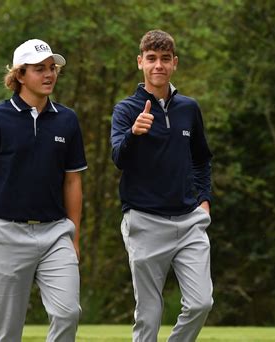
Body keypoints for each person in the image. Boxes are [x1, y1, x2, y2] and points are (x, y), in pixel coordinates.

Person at [0, 39, 87, 342]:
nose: (49, 74)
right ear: (20, 75)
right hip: (4, 233)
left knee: (68, 313)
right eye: (40, 69)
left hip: (55, 234)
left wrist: (74, 236)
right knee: (8, 331)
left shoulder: (67, 120)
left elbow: (72, 182)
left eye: (52, 68)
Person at [110, 29, 214, 342]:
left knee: (201, 302)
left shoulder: (188, 108)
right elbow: (118, 157)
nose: (159, 65)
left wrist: (204, 199)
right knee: (149, 314)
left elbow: (201, 159)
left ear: (175, 63)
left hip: (189, 220)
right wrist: (134, 134)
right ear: (140, 62)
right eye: (152, 59)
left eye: (165, 59)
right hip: (144, 221)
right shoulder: (126, 110)